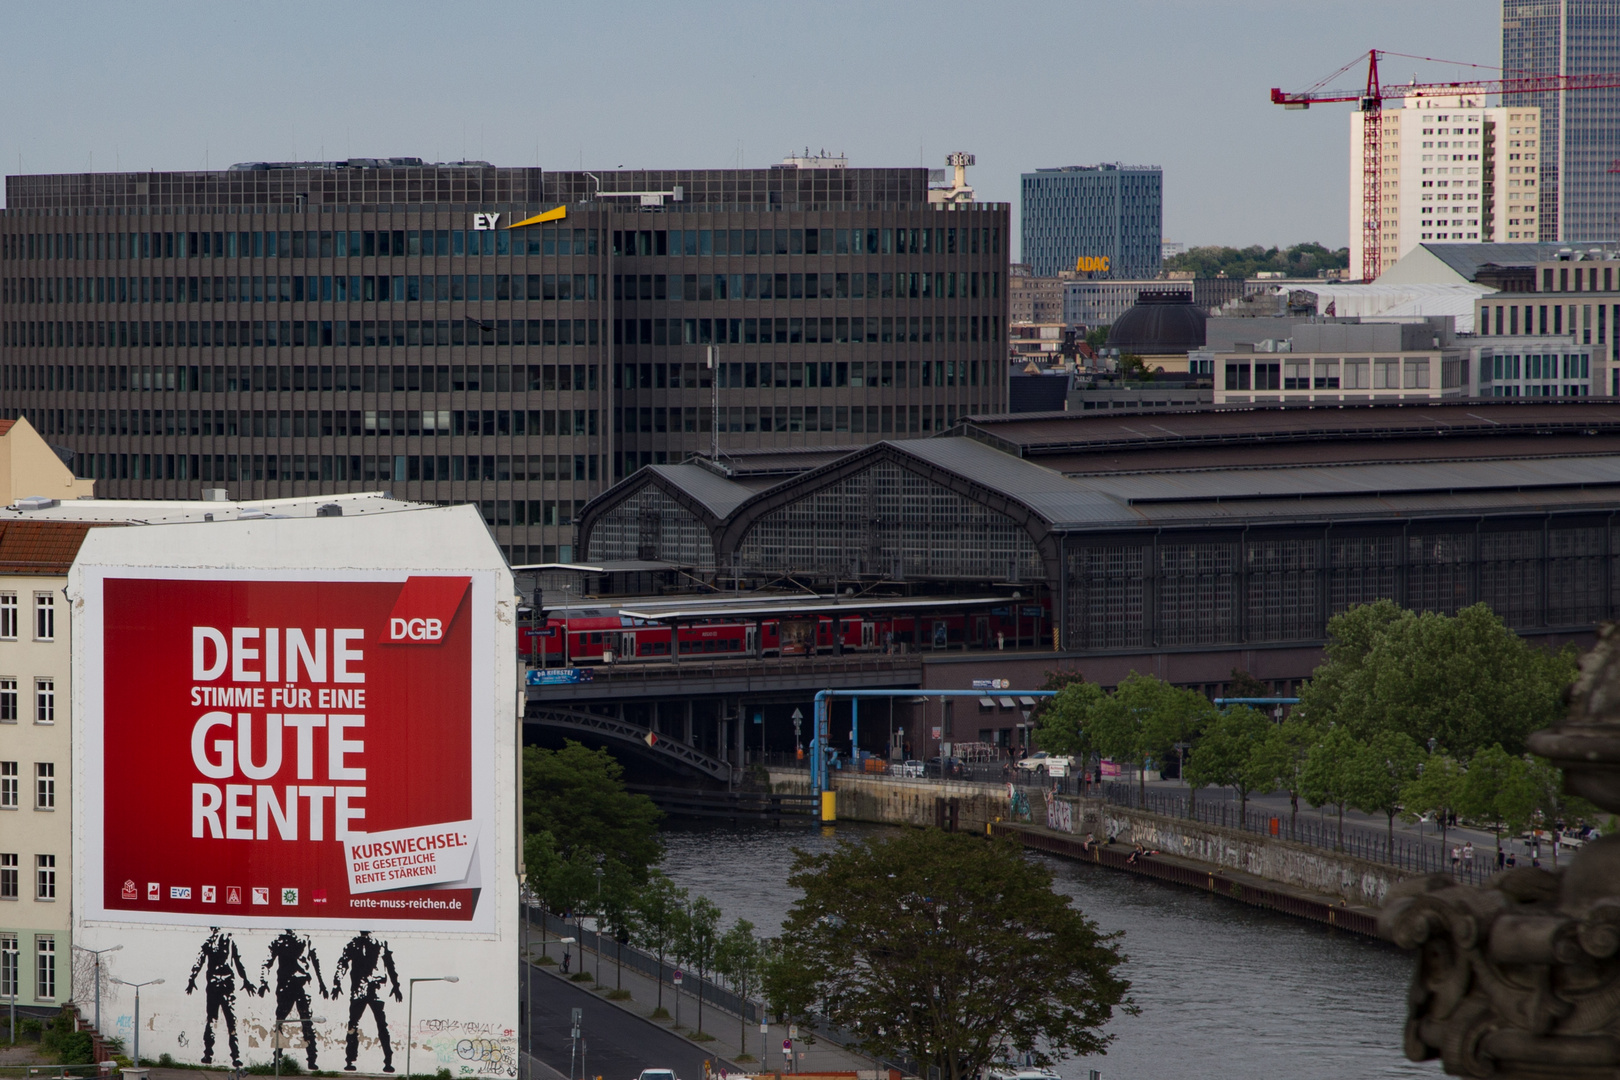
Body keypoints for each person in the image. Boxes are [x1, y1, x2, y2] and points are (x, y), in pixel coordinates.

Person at [330, 930, 403, 1073]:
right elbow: (343, 963)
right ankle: (353, 1059)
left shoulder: (370, 943)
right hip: (365, 988)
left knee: (370, 1024)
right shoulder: (358, 943)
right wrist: (336, 983)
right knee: (362, 1024)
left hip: (370, 988)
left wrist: (396, 985)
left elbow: (389, 964)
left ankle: (384, 1059)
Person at [186, 927, 258, 1068]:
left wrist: (192, 978)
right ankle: (227, 1055)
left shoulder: (216, 942)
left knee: (219, 1021)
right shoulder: (223, 942)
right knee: (223, 1021)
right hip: (222, 986)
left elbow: (199, 962)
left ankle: (216, 1055)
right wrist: (245, 979)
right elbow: (237, 962)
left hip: (220, 985)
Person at [260, 929, 327, 1071]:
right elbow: (267, 962)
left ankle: (310, 1059)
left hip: (300, 985)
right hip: (287, 985)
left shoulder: (304, 939)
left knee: (304, 1021)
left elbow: (315, 961)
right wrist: (263, 981)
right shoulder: (281, 940)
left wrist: (322, 983)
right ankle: (277, 1057)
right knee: (281, 1021)